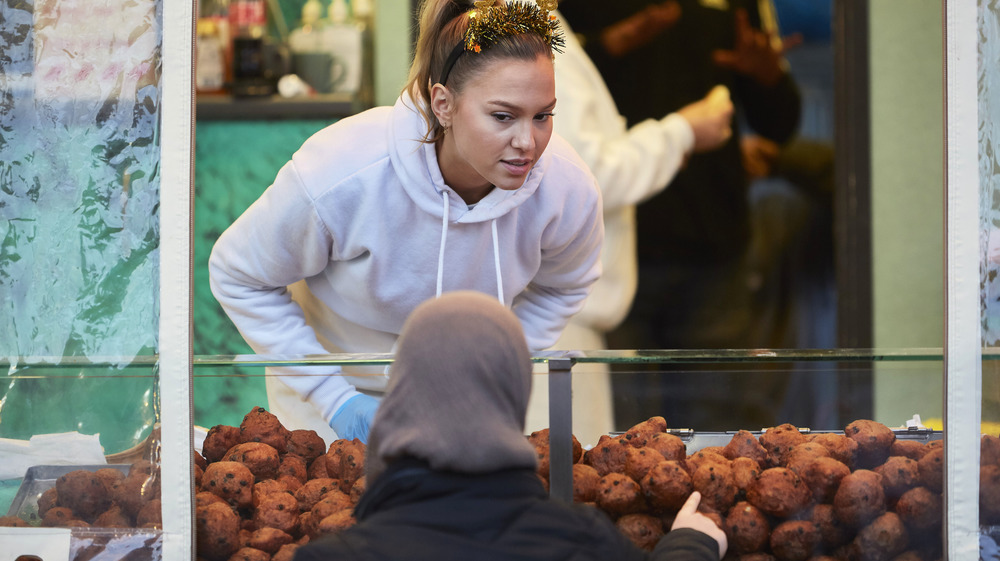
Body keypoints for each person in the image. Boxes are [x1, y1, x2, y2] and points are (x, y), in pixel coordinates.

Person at [209, 0, 604, 444]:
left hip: (463, 402)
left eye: (543, 116)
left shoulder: (566, 187)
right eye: (503, 116)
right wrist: (335, 399)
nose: (527, 143)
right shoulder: (344, 170)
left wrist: (494, 370)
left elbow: (564, 285)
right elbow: (238, 274)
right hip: (328, 399)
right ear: (444, 104)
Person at [293, 291, 727, 561]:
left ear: (400, 400)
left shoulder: (333, 555)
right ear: (515, 398)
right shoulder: (586, 542)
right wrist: (691, 546)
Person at [558, 0, 802, 430]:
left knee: (715, 433)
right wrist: (608, 46)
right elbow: (560, 113)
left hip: (713, 243)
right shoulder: (553, 12)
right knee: (618, 435)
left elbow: (778, 122)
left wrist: (767, 76)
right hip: (610, 250)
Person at [525, 4, 735, 445]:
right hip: (553, 320)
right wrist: (681, 132)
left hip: (559, 318)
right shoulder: (522, 28)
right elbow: (583, 174)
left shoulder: (537, 24)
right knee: (560, 484)